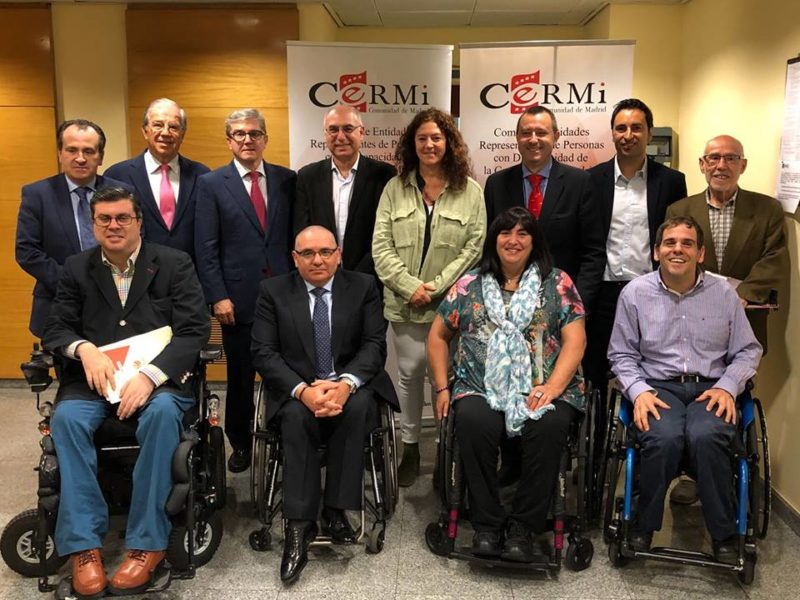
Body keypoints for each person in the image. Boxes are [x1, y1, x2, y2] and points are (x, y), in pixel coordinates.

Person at [42, 186, 210, 597]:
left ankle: (147, 543)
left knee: (162, 415)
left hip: (158, 383)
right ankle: (84, 546)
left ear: (139, 222)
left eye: (122, 218)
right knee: (66, 419)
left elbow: (193, 330)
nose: (113, 225)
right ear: (93, 223)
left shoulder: (174, 263)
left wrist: (151, 375)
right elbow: (56, 327)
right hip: (92, 384)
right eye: (104, 218)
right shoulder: (76, 268)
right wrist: (84, 349)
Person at [428, 206, 586, 561]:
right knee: (473, 421)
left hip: (544, 386)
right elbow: (438, 336)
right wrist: (441, 388)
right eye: (505, 232)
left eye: (522, 233)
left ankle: (523, 528)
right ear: (494, 239)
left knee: (548, 426)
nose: (513, 240)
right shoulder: (469, 285)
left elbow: (576, 341)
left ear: (534, 241)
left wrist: (552, 388)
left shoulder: (558, 283)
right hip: (480, 386)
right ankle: (486, 525)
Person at [607, 216, 762, 563]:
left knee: (708, 435)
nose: (678, 249)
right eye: (670, 243)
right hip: (658, 387)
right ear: (656, 252)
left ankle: (724, 534)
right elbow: (621, 353)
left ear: (700, 253)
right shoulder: (635, 293)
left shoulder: (724, 293)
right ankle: (643, 526)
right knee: (662, 437)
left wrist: (728, 387)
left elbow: (748, 350)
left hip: (711, 387)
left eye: (687, 243)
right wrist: (638, 391)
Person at [251, 226, 398, 584]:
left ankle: (336, 509)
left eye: (325, 252)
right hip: (297, 388)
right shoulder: (272, 291)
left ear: (338, 254)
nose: (317, 260)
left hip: (350, 384)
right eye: (308, 253)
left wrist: (345, 385)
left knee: (358, 408)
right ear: (294, 258)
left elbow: (374, 345)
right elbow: (264, 352)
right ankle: (299, 527)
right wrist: (304, 391)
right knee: (295, 417)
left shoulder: (363, 287)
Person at [372, 108, 486, 487]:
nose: (429, 144)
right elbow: (381, 247)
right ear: (412, 144)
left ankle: (443, 447)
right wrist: (410, 287)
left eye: (437, 137)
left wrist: (436, 287)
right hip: (404, 305)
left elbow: (474, 248)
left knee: (446, 379)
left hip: (449, 307)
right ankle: (410, 447)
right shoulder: (395, 188)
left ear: (449, 142)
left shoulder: (470, 191)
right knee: (408, 375)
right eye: (422, 138)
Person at [195, 108, 296, 473]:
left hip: (285, 295)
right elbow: (206, 246)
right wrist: (217, 296)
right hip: (236, 301)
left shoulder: (287, 179)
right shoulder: (211, 184)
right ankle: (239, 442)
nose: (247, 140)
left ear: (265, 139)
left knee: (285, 372)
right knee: (240, 377)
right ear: (229, 141)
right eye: (239, 134)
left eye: (254, 134)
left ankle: (283, 435)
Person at [586, 99, 687, 397]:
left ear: (649, 133)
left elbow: (677, 236)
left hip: (651, 293)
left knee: (651, 372)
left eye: (636, 128)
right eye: (621, 128)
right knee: (595, 374)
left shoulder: (671, 182)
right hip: (603, 294)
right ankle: (598, 426)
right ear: (612, 133)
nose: (628, 135)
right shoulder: (591, 179)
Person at [666, 135, 788, 352]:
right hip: (693, 316)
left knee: (743, 371)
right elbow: (673, 259)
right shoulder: (679, 210)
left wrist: (743, 295)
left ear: (743, 165)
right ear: (702, 165)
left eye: (731, 158)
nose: (721, 166)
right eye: (713, 158)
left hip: (745, 317)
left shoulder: (768, 209)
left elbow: (774, 258)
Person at [484, 105, 605, 312]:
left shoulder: (580, 183)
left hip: (561, 303)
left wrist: (577, 306)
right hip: (506, 303)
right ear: (517, 137)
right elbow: (489, 248)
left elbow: (593, 253)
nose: (533, 140)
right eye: (526, 133)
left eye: (541, 133)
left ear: (556, 136)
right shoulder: (496, 184)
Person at [16, 119, 127, 338]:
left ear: (101, 157)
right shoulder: (37, 194)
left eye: (89, 151)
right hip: (58, 304)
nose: (80, 158)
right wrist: (73, 283)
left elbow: (135, 243)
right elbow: (27, 252)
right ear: (60, 153)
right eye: (72, 150)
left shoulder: (123, 193)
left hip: (116, 304)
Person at [293, 105, 396, 278]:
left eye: (348, 129)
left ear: (361, 132)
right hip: (321, 277)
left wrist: (357, 278)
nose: (340, 137)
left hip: (370, 279)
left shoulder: (385, 175)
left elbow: (388, 234)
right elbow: (302, 231)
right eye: (333, 130)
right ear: (325, 134)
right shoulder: (307, 176)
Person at [105, 98, 210, 261]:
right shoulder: (117, 175)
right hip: (137, 271)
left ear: (182, 134)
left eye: (173, 127)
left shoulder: (202, 175)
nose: (166, 133)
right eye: (158, 125)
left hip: (189, 271)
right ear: (145, 131)